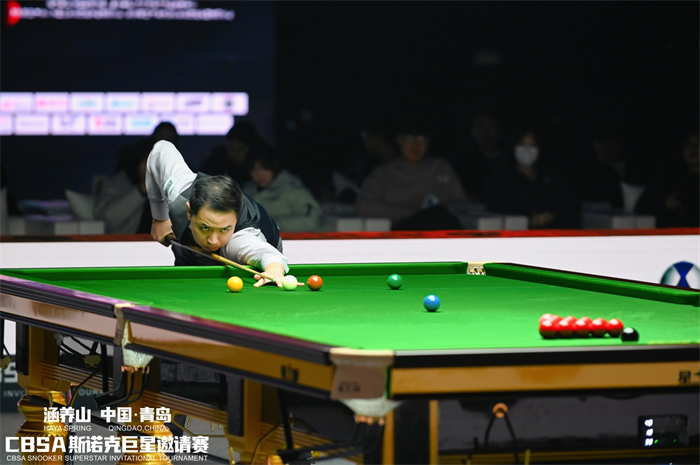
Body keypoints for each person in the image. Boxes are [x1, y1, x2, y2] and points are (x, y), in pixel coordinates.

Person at [147, 140, 288, 287]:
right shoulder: (179, 190)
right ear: (189, 211)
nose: (213, 241)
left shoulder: (239, 240)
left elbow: (266, 254)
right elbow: (161, 149)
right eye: (205, 228)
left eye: (224, 229)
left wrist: (274, 270)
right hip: (190, 247)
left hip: (253, 254)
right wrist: (159, 218)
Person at [356, 118, 468, 230]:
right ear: (399, 140)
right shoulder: (383, 173)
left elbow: (461, 203)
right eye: (409, 138)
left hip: (439, 229)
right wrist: (410, 212)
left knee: (438, 214)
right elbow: (363, 205)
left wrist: (432, 211)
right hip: (403, 232)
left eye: (421, 139)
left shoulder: (440, 167)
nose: (415, 145)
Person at [484, 129, 581, 229]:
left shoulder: (552, 177)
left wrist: (553, 218)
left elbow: (570, 209)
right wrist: (528, 223)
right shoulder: (501, 180)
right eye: (522, 144)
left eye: (532, 145)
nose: (527, 150)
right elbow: (498, 215)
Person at [243, 143, 323, 232]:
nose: (259, 174)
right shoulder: (247, 193)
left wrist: (272, 225)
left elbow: (312, 219)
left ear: (274, 165)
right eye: (253, 169)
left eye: (265, 167)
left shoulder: (292, 188)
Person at [635, 128, 700, 227]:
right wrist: (664, 203)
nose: (693, 148)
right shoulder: (668, 177)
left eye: (698, 144)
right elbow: (641, 207)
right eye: (688, 144)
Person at [94, 137, 154, 234]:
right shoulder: (117, 184)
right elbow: (107, 219)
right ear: (137, 161)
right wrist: (142, 190)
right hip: (128, 242)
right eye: (147, 160)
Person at [452, 114, 507, 203]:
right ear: (472, 132)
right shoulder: (463, 163)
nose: (486, 133)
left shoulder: (508, 162)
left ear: (500, 131)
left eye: (491, 127)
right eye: (481, 128)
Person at [199, 121, 261, 186]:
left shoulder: (259, 163)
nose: (234, 154)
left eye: (239, 150)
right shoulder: (217, 161)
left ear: (251, 149)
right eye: (231, 148)